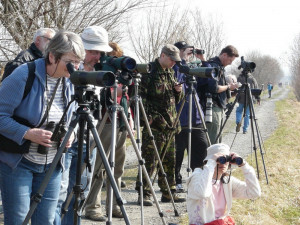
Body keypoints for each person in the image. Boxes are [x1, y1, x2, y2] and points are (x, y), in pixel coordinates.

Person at [0, 31, 85, 225]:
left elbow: (78, 117)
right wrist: (28, 133)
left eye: (78, 62)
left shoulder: (71, 80)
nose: (75, 68)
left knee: (46, 220)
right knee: (19, 220)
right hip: (18, 162)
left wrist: (72, 135)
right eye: (71, 62)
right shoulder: (24, 74)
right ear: (52, 56)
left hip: (53, 163)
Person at [54, 26, 106, 225]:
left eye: (100, 53)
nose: (97, 57)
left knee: (80, 193)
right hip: (66, 138)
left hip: (88, 138)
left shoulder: (96, 72)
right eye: (93, 51)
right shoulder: (63, 70)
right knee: (59, 194)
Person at [84, 41, 135, 221]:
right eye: (112, 57)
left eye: (117, 57)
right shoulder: (100, 73)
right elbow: (103, 95)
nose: (115, 60)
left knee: (118, 168)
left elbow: (126, 99)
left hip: (120, 122)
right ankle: (92, 207)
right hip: (104, 122)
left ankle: (114, 205)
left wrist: (131, 124)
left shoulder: (119, 74)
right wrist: (113, 87)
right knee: (99, 167)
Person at [135, 44, 185, 206]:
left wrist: (178, 91)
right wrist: (149, 118)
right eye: (171, 59)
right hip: (155, 125)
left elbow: (175, 100)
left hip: (170, 124)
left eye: (175, 61)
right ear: (162, 55)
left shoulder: (170, 72)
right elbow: (139, 97)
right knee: (150, 161)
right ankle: (144, 193)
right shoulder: (148, 72)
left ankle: (168, 192)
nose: (173, 63)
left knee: (170, 160)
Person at [187, 143, 261, 225]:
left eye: (226, 160)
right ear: (208, 162)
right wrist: (211, 162)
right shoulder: (197, 177)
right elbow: (203, 193)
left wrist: (244, 165)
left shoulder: (226, 181)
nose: (223, 163)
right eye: (219, 160)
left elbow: (254, 193)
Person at [173, 41, 208, 193]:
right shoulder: (174, 67)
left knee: (201, 146)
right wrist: (182, 60)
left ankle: (196, 178)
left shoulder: (194, 66)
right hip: (180, 116)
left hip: (196, 116)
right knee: (178, 151)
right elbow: (178, 78)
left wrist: (202, 58)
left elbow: (208, 77)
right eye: (186, 51)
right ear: (178, 51)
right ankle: (176, 180)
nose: (189, 54)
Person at [197, 45, 240, 144]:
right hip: (212, 107)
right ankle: (211, 160)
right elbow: (214, 88)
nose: (230, 63)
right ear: (224, 55)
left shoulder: (218, 67)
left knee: (217, 140)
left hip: (217, 107)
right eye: (230, 60)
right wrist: (229, 87)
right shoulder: (214, 67)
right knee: (213, 142)